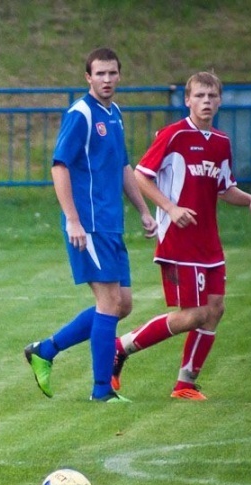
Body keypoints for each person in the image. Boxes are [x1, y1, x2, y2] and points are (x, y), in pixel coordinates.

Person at [111, 71, 251, 400]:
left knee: (216, 308)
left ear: (220, 101)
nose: (206, 102)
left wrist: (250, 199)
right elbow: (141, 176)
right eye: (199, 96)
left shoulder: (222, 142)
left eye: (212, 96)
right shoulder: (174, 135)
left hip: (208, 241)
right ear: (187, 100)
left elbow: (225, 189)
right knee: (194, 313)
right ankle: (120, 347)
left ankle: (185, 383)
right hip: (178, 241)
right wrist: (170, 208)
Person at [24, 47, 157, 403]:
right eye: (100, 74)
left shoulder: (114, 113)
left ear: (119, 75)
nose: (107, 79)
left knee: (122, 304)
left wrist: (144, 210)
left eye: (112, 73)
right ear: (88, 77)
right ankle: (102, 392)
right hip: (89, 224)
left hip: (111, 223)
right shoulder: (81, 114)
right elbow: (59, 166)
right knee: (109, 301)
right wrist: (72, 220)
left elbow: (123, 167)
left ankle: (46, 349)